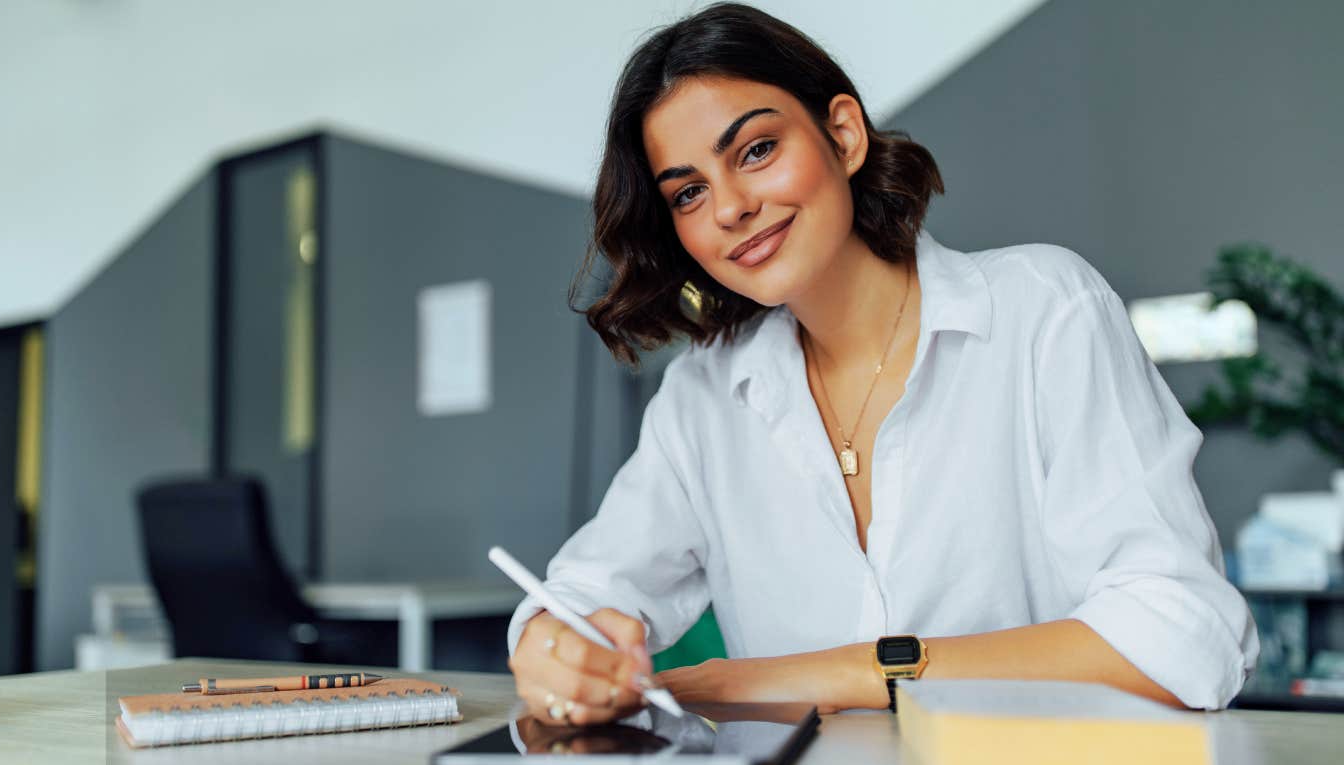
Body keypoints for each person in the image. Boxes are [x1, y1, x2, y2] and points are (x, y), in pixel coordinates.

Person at [506, 2, 1259, 727]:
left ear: (843, 134)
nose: (730, 206)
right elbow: (584, 592)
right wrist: (555, 644)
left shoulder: (1043, 310)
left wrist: (836, 673)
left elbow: (1182, 636)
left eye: (757, 150)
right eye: (690, 192)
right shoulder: (703, 395)